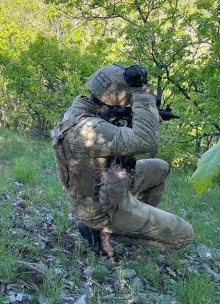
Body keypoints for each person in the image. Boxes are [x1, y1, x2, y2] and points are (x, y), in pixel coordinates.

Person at [51, 63, 192, 257]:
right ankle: (102, 230)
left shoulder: (79, 110)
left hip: (105, 186)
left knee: (160, 168)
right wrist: (142, 95)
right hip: (99, 208)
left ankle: (134, 218)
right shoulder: (89, 129)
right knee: (184, 234)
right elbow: (146, 141)